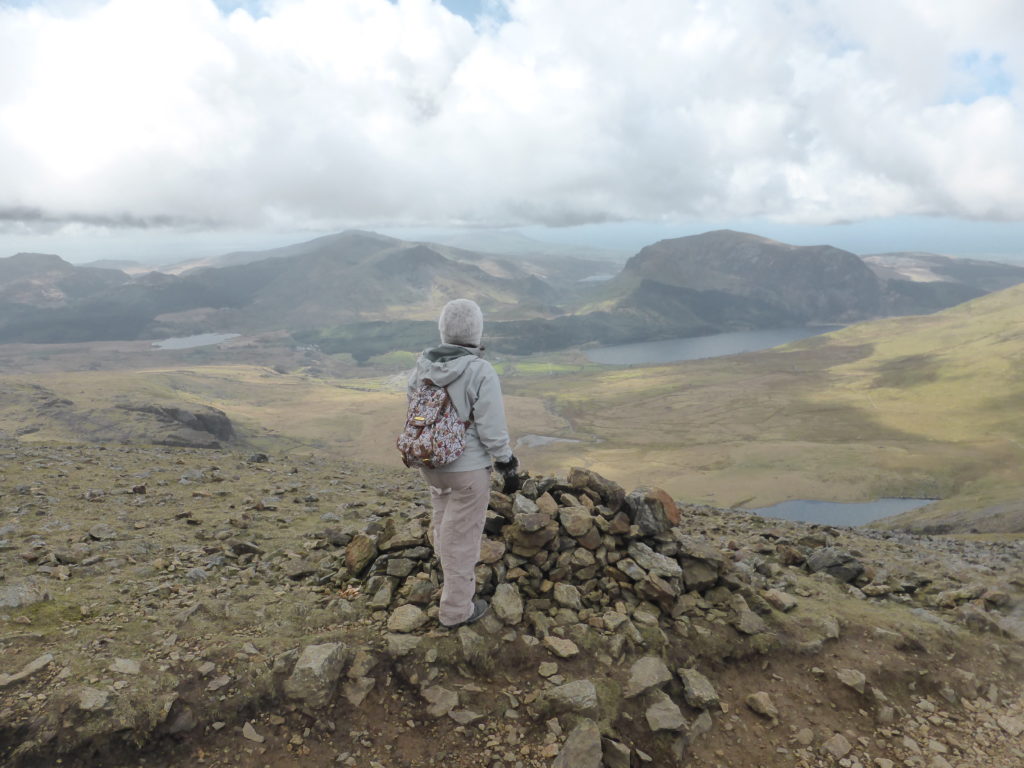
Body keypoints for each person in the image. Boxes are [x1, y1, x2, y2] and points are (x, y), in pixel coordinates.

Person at [409, 298, 518, 628]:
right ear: (476, 331)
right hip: (467, 470)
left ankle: (449, 581)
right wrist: (506, 462)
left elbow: (415, 414)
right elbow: (491, 427)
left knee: (445, 527)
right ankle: (457, 611)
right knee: (462, 539)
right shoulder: (479, 370)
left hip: (431, 464)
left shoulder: (423, 365)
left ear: (443, 329)